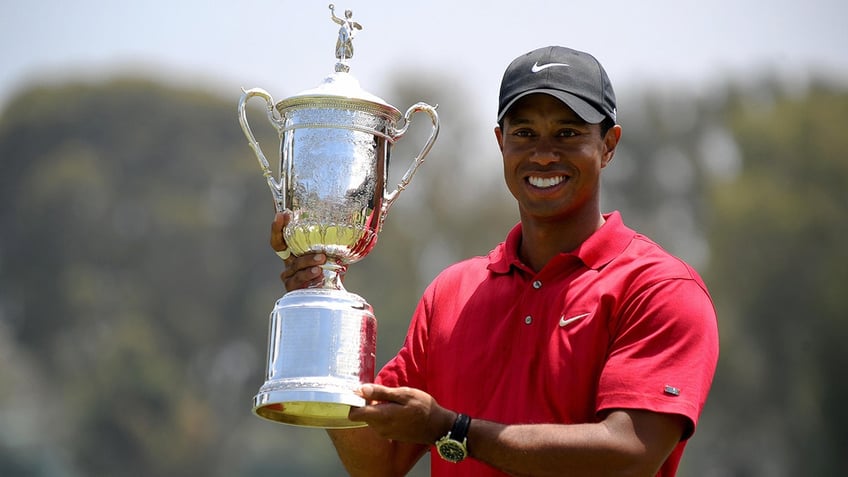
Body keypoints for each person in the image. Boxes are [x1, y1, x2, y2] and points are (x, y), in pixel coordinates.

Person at [271, 45, 719, 477]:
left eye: (568, 133)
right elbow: (379, 461)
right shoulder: (452, 293)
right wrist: (317, 312)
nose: (544, 153)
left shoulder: (658, 288)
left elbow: (629, 454)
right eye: (524, 133)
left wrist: (454, 430)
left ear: (609, 144)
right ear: (501, 142)